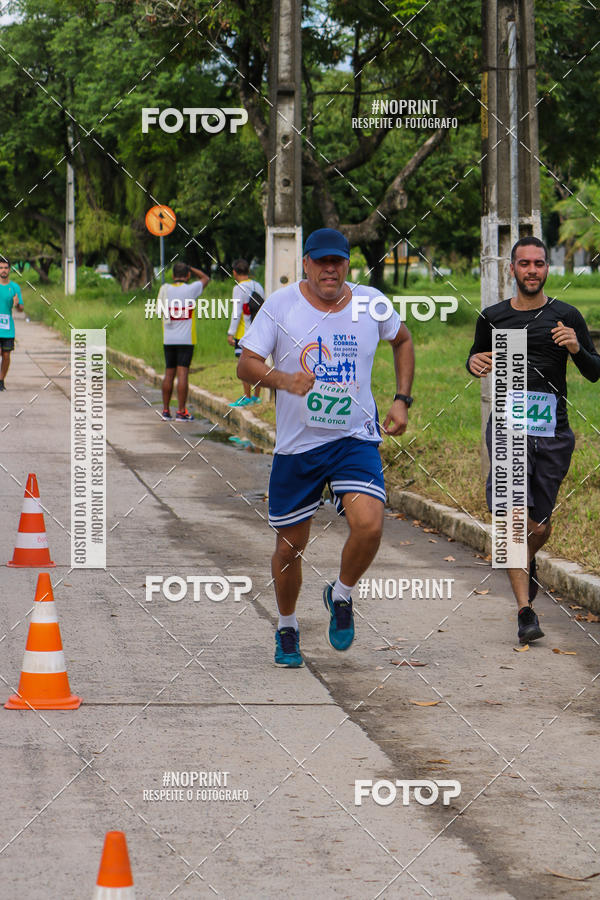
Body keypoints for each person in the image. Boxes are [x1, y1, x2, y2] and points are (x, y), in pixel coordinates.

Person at [237, 227, 414, 667]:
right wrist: (284, 380)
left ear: (347, 264)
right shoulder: (280, 305)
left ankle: (342, 594)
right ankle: (287, 626)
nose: (329, 269)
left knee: (370, 525)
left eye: (337, 261)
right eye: (321, 261)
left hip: (354, 439)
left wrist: (401, 399)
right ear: (306, 264)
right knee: (289, 548)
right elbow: (246, 363)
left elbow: (403, 340)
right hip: (299, 447)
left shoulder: (371, 302)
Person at [467, 236, 600, 644]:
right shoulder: (492, 318)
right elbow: (476, 358)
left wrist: (577, 348)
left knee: (537, 526)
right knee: (512, 521)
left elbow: (595, 371)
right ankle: (525, 612)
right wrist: (474, 363)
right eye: (523, 264)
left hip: (552, 431)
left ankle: (527, 558)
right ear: (512, 269)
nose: (531, 270)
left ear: (547, 269)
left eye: (539, 264)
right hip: (507, 427)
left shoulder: (566, 316)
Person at [159, 261, 210, 421]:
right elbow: (205, 278)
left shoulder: (165, 289)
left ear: (173, 276)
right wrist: (191, 267)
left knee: (169, 373)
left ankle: (166, 411)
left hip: (168, 338)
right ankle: (181, 412)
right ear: (187, 275)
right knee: (183, 374)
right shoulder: (191, 288)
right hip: (186, 339)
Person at [226, 259, 264, 407]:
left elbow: (237, 311)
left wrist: (231, 332)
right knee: (258, 363)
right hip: (259, 330)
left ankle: (246, 397)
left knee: (244, 365)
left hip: (244, 332)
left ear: (234, 272)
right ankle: (256, 397)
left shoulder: (239, 288)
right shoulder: (258, 285)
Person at [0, 259, 24, 391]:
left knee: (6, 355)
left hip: (8, 328)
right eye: (1, 268)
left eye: (5, 268)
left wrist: (17, 303)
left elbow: (21, 309)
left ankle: (1, 379)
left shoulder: (15, 287)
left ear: (9, 270)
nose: (3, 270)